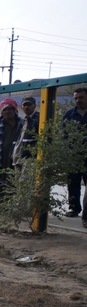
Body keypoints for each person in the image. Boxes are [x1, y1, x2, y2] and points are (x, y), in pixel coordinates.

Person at [62, 87, 87, 220]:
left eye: (81, 97)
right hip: (73, 157)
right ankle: (74, 208)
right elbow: (63, 135)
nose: (78, 100)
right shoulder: (69, 115)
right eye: (76, 98)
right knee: (73, 184)